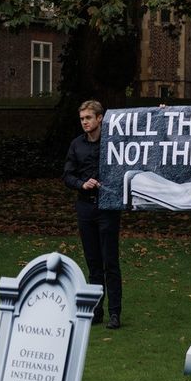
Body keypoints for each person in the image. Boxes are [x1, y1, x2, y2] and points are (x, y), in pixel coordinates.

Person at [62, 100, 122, 329]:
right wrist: (81, 183)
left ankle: (115, 313)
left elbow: (144, 140)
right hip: (85, 208)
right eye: (82, 119)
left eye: (88, 118)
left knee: (110, 263)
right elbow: (67, 175)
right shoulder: (76, 145)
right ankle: (96, 311)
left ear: (100, 118)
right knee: (93, 263)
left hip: (108, 208)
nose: (84, 122)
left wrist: (161, 114)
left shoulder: (114, 141)